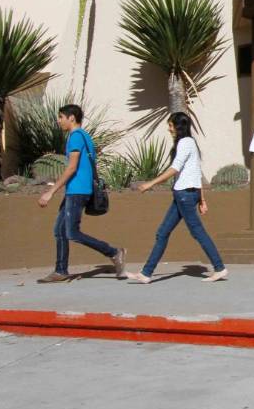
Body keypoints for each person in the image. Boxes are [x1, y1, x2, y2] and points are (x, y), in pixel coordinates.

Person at [127, 112, 228, 284]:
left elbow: (175, 168)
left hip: (185, 196)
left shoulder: (185, 143)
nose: (169, 129)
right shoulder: (190, 143)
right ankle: (146, 273)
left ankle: (219, 268)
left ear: (179, 126)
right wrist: (202, 199)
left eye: (171, 126)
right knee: (163, 233)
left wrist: (151, 184)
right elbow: (196, 172)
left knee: (197, 232)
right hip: (185, 194)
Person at [35, 104, 125, 283]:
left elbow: (71, 168)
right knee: (59, 230)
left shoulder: (75, 137)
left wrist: (50, 192)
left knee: (72, 233)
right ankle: (60, 271)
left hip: (78, 190)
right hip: (78, 189)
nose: (58, 121)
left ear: (71, 118)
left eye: (61, 117)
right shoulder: (85, 136)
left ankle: (114, 252)